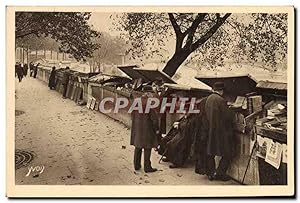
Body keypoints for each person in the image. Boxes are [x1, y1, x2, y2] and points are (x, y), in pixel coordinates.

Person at [205, 82, 234, 181]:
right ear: (221, 91)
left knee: (211, 152)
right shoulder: (221, 100)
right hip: (221, 131)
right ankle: (220, 173)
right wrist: (231, 110)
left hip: (211, 129)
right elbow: (228, 116)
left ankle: (210, 173)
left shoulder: (209, 98)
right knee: (227, 153)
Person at [130, 91, 160, 173]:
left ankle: (136, 165)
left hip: (137, 128)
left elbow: (132, 115)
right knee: (147, 147)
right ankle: (147, 167)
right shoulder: (150, 105)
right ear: (149, 95)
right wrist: (157, 129)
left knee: (138, 146)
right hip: (147, 129)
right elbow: (154, 119)